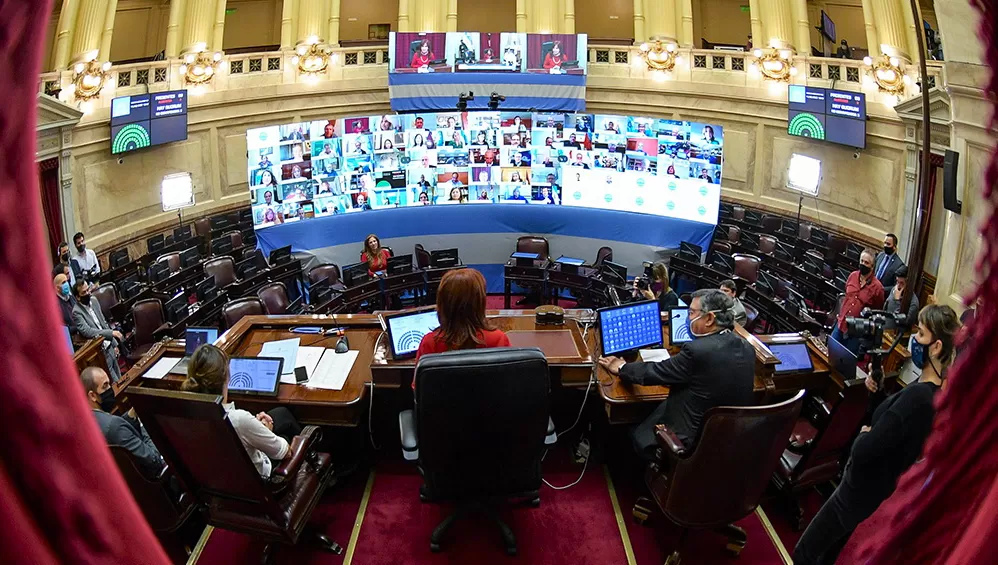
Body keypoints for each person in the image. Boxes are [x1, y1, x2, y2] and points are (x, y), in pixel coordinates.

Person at [794, 304, 961, 565]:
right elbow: (893, 426)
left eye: (921, 334)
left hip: (857, 489)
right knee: (827, 555)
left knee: (805, 552)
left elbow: (865, 449)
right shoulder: (933, 392)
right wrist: (879, 394)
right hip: (874, 491)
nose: (915, 340)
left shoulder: (917, 397)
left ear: (937, 347)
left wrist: (864, 433)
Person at [599, 289, 756, 458]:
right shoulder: (746, 347)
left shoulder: (697, 351)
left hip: (689, 439)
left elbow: (654, 372)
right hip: (726, 436)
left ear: (709, 318)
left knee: (635, 431)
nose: (688, 318)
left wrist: (622, 367)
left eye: (691, 312)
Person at [181, 345, 302, 478]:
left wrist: (255, 427)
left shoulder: (184, 415)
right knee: (286, 438)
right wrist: (265, 431)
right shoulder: (238, 419)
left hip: (220, 480)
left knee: (281, 413)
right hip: (258, 483)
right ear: (227, 376)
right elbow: (286, 452)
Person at [414, 268, 511, 389]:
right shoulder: (498, 339)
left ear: (442, 303)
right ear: (480, 303)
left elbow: (418, 390)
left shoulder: (429, 342)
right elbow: (506, 385)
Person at [81, 367, 165, 477]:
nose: (110, 390)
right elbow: (154, 460)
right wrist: (143, 423)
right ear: (92, 395)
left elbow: (115, 430)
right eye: (105, 386)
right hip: (154, 481)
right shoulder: (114, 426)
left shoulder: (86, 421)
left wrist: (131, 415)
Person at [832, 250, 886, 355]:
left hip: (856, 332)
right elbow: (846, 295)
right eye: (862, 261)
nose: (863, 264)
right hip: (841, 324)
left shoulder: (878, 288)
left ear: (872, 266)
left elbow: (877, 310)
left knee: (846, 360)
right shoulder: (852, 276)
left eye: (866, 263)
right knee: (832, 352)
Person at [71, 279, 123, 383]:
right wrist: (110, 333)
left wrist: (114, 343)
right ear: (77, 297)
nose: (88, 293)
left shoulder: (94, 300)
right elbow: (88, 331)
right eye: (84, 292)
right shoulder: (76, 312)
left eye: (88, 290)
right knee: (115, 383)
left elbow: (103, 322)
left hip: (110, 346)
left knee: (121, 378)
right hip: (101, 352)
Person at [884, 265, 920, 329]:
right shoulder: (894, 289)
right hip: (885, 328)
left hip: (894, 334)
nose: (898, 286)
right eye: (897, 282)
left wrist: (897, 301)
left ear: (909, 284)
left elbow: (903, 323)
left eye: (901, 283)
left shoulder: (914, 303)